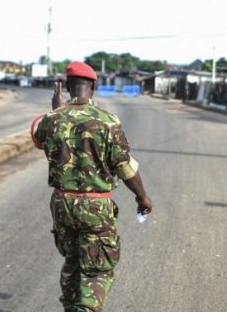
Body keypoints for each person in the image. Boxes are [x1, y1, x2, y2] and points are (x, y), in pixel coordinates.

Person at [32, 61, 153, 311]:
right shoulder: (108, 121)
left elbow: (39, 139)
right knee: (98, 270)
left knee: (73, 260)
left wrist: (57, 110)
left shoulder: (51, 119)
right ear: (94, 86)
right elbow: (124, 166)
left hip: (62, 203)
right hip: (95, 207)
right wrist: (142, 197)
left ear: (67, 87)